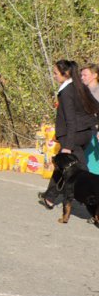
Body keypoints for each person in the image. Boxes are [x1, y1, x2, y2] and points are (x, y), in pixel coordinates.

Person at [39, 59, 99, 208]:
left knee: (81, 170)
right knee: (62, 165)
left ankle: (93, 202)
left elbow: (71, 121)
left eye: (55, 73)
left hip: (73, 136)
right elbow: (96, 106)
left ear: (65, 73)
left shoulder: (67, 92)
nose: (54, 76)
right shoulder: (79, 86)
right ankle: (50, 196)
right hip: (84, 133)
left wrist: (68, 146)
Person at [81, 64, 99, 174]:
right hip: (86, 131)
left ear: (95, 75)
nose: (82, 77)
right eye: (81, 75)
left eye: (85, 75)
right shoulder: (82, 92)